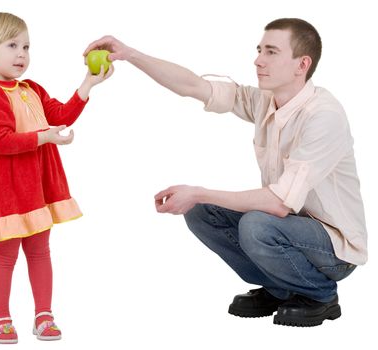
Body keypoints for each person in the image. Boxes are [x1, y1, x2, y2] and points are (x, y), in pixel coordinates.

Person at [84, 18, 367, 327]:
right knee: (202, 212)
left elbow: (279, 204)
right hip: (289, 229)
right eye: (259, 50)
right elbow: (193, 86)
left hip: (333, 248)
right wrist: (129, 54)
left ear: (302, 64)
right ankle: (281, 288)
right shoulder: (266, 101)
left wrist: (198, 190)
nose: (258, 60)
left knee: (256, 225)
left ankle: (321, 295)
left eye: (271, 52)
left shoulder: (323, 116)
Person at [0, 12, 113, 344]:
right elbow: (2, 142)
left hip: (35, 186)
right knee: (5, 253)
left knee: (40, 250)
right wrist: (45, 137)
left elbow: (60, 116)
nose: (22, 54)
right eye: (13, 45)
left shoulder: (31, 88)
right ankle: (0, 318)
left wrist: (88, 83)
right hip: (6, 188)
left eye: (27, 46)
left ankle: (43, 314)